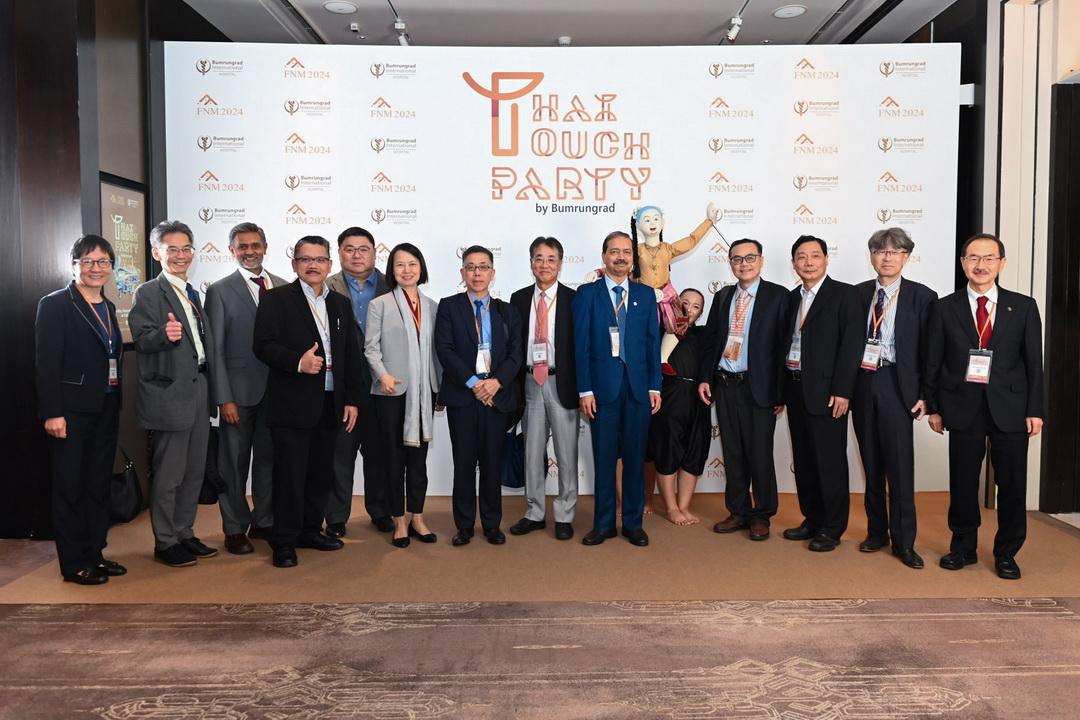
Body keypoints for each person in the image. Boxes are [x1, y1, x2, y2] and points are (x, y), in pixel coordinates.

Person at [926, 232, 1044, 580]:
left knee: (1012, 485)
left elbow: (1034, 364)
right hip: (961, 406)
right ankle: (963, 548)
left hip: (1012, 407)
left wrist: (1035, 409)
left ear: (1001, 263)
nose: (981, 265)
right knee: (963, 483)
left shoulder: (1023, 307)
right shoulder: (944, 307)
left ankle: (1007, 552)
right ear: (963, 263)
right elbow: (933, 361)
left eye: (989, 258)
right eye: (973, 258)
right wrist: (934, 407)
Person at [253, 236, 363, 568]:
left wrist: (352, 399)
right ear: (295, 263)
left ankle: (310, 530)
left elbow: (350, 355)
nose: (313, 265)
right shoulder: (276, 299)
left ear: (329, 264)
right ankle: (284, 541)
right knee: (289, 476)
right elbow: (262, 345)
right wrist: (297, 362)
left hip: (331, 403)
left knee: (320, 473)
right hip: (292, 404)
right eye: (305, 259)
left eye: (319, 259)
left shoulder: (340, 303)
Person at [35, 235, 127, 584]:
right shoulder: (56, 304)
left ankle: (95, 553)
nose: (95, 268)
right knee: (70, 486)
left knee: (97, 484)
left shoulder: (108, 306)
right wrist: (52, 412)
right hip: (70, 411)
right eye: (87, 261)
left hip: (106, 405)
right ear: (74, 265)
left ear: (111, 267)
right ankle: (74, 562)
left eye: (103, 262)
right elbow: (46, 363)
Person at [130, 221, 218, 568]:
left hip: (199, 389)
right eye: (172, 249)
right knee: (169, 474)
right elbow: (142, 339)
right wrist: (163, 335)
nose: (181, 255)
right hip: (170, 394)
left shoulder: (192, 292)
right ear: (156, 253)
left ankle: (184, 532)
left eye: (186, 248)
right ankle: (165, 541)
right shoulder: (149, 292)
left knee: (194, 471)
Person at [851, 228, 937, 569]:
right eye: (880, 251)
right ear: (872, 256)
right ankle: (876, 533)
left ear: (906, 257)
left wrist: (926, 395)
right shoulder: (857, 294)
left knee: (900, 467)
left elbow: (931, 351)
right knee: (871, 463)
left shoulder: (923, 297)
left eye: (895, 251)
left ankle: (904, 542)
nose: (887, 257)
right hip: (862, 382)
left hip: (898, 385)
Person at [574, 231, 662, 547]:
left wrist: (655, 386)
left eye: (626, 251)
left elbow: (652, 344)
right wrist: (585, 390)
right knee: (605, 460)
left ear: (632, 258)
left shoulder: (646, 295)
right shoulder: (587, 294)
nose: (620, 257)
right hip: (602, 391)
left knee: (635, 460)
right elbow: (580, 346)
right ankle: (604, 524)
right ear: (604, 256)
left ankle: (634, 524)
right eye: (614, 251)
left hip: (638, 390)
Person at [204, 222, 288, 554]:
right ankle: (235, 527)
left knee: (268, 460)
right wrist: (223, 397)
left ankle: (263, 520)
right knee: (233, 464)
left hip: (277, 393)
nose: (249, 251)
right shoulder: (219, 291)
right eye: (242, 246)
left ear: (265, 247)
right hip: (237, 395)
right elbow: (215, 349)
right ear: (232, 251)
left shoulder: (283, 286)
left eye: (255, 245)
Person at [697, 239, 788, 541]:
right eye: (737, 259)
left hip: (759, 388)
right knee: (733, 452)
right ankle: (738, 511)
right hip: (725, 384)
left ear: (761, 260)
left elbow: (784, 347)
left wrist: (780, 392)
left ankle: (761, 514)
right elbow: (711, 340)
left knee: (759, 454)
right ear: (730, 264)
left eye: (750, 258)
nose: (743, 264)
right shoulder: (723, 296)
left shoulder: (778, 296)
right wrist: (705, 378)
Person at [434, 245, 523, 547]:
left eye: (483, 267)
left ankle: (491, 523)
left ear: (492, 273)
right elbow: (445, 350)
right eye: (471, 267)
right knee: (463, 463)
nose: (477, 273)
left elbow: (515, 354)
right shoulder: (449, 306)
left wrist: (495, 383)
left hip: (496, 397)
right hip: (463, 396)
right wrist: (475, 384)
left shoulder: (507, 311)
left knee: (491, 463)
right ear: (462, 273)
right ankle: (463, 525)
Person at [781, 235, 864, 552]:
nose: (808, 262)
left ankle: (832, 526)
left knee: (829, 462)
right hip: (795, 387)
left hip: (829, 393)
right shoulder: (791, 298)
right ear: (794, 263)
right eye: (801, 257)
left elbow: (852, 345)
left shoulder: (845, 295)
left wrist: (843, 390)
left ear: (826, 259)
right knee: (804, 460)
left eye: (815, 255)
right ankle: (812, 519)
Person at [364, 243, 441, 548]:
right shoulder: (379, 305)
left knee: (418, 460)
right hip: (391, 391)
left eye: (412, 264)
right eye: (399, 265)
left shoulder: (432, 306)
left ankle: (417, 517)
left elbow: (437, 352)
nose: (406, 270)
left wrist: (438, 387)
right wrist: (382, 374)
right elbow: (370, 348)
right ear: (391, 270)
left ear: (421, 268)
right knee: (394, 459)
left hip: (424, 393)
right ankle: (398, 520)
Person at [509, 237, 579, 541]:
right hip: (529, 382)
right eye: (539, 258)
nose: (544, 265)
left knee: (566, 454)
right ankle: (534, 512)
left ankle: (565, 514)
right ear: (531, 263)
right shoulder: (519, 298)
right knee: (532, 452)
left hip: (562, 381)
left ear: (560, 264)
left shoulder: (575, 299)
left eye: (551, 259)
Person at [324, 227, 391, 537]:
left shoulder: (393, 284)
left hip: (383, 383)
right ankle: (336, 517)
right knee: (340, 454)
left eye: (363, 249)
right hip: (343, 385)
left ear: (375, 252)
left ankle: (381, 511)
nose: (356, 255)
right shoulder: (325, 287)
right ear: (339, 254)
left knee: (379, 453)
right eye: (349, 249)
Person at [646, 288, 710, 526]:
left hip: (700, 398)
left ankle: (684, 506)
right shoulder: (663, 330)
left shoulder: (705, 335)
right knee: (668, 450)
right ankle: (671, 508)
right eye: (685, 302)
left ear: (701, 313)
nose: (689, 309)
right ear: (675, 304)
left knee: (695, 452)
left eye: (696, 306)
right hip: (671, 396)